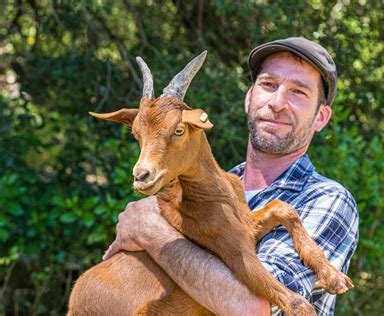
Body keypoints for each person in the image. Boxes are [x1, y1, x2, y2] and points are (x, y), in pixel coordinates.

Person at [102, 37, 359, 316]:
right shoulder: (208, 187)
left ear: (321, 117)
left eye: (299, 92)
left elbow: (255, 308)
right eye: (269, 85)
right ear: (249, 98)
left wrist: (151, 233)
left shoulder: (328, 199)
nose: (278, 102)